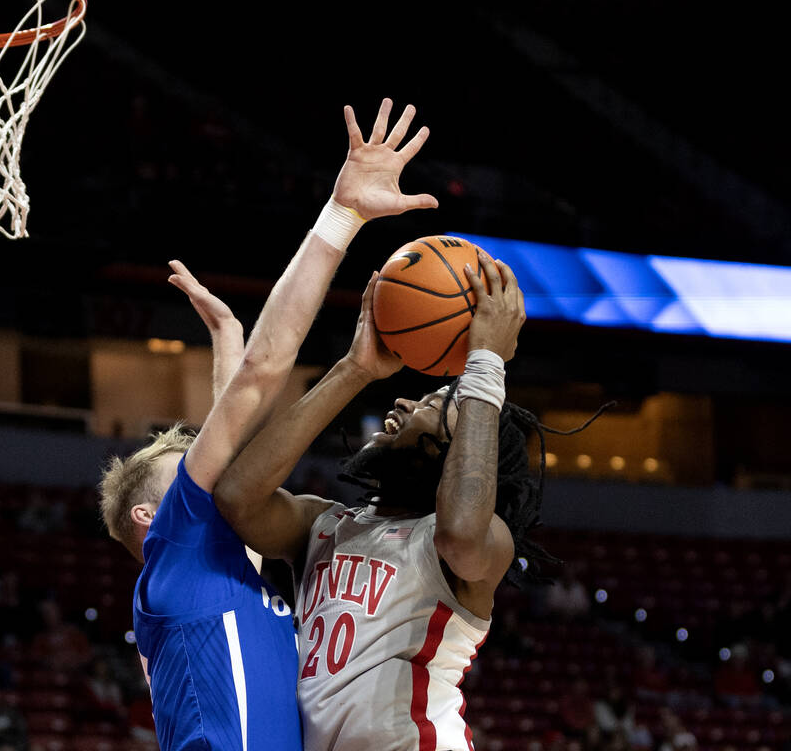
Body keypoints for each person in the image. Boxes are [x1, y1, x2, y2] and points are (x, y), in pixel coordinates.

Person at [97, 98, 437, 751]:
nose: (208, 468)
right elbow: (263, 379)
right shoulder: (179, 549)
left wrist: (227, 338)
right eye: (188, 470)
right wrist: (343, 215)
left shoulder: (220, 568)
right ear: (151, 516)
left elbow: (244, 464)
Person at [213, 249, 595, 749]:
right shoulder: (324, 524)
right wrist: (354, 369)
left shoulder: (481, 544)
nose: (403, 401)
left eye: (434, 406)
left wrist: (485, 368)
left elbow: (460, 532)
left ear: (462, 449)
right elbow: (236, 496)